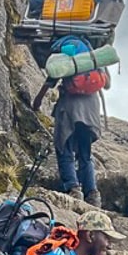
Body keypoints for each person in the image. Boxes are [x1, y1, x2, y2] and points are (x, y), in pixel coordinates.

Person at [32, 71, 108, 205]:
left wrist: (37, 101)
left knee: (64, 146)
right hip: (91, 108)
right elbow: (107, 84)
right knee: (85, 153)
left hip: (69, 106)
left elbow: (51, 80)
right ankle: (92, 194)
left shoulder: (67, 54)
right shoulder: (94, 58)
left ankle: (73, 189)